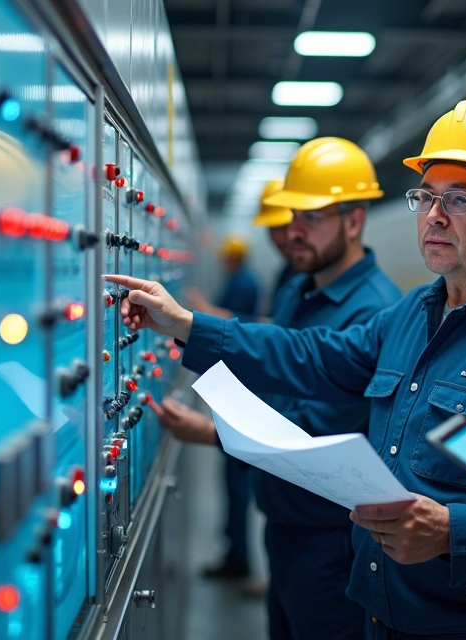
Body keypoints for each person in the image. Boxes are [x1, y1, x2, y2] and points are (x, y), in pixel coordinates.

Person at [107, 98, 466, 639]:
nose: (435, 216)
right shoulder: (410, 315)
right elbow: (311, 355)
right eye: (425, 197)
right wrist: (188, 325)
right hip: (381, 614)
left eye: (460, 199)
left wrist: (455, 531)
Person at [148, 137, 402, 640]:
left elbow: (312, 440)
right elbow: (280, 366)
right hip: (284, 527)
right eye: (292, 216)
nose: (293, 231)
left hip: (332, 540)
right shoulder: (298, 288)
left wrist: (213, 431)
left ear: (354, 221)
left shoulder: (372, 311)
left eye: (311, 218)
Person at [201, 233, 261, 579]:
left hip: (242, 386)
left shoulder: (242, 283)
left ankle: (238, 557)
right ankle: (236, 552)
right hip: (240, 384)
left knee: (237, 481)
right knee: (234, 479)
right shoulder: (243, 280)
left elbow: (243, 324)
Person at [187, 179, 298, 321]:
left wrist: (208, 314)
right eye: (272, 228)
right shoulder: (287, 273)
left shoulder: (244, 283)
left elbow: (278, 331)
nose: (279, 238)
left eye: (284, 227)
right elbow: (275, 327)